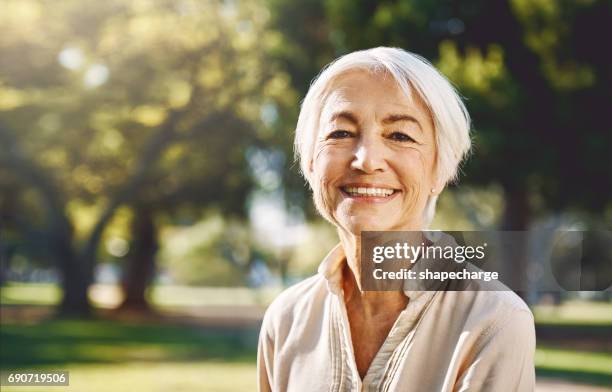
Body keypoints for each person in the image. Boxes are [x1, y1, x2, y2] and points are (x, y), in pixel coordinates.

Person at [257, 47, 535, 391]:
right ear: (311, 164)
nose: (367, 160)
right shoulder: (285, 320)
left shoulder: (495, 320)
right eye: (340, 133)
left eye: (400, 135)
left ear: (440, 169)